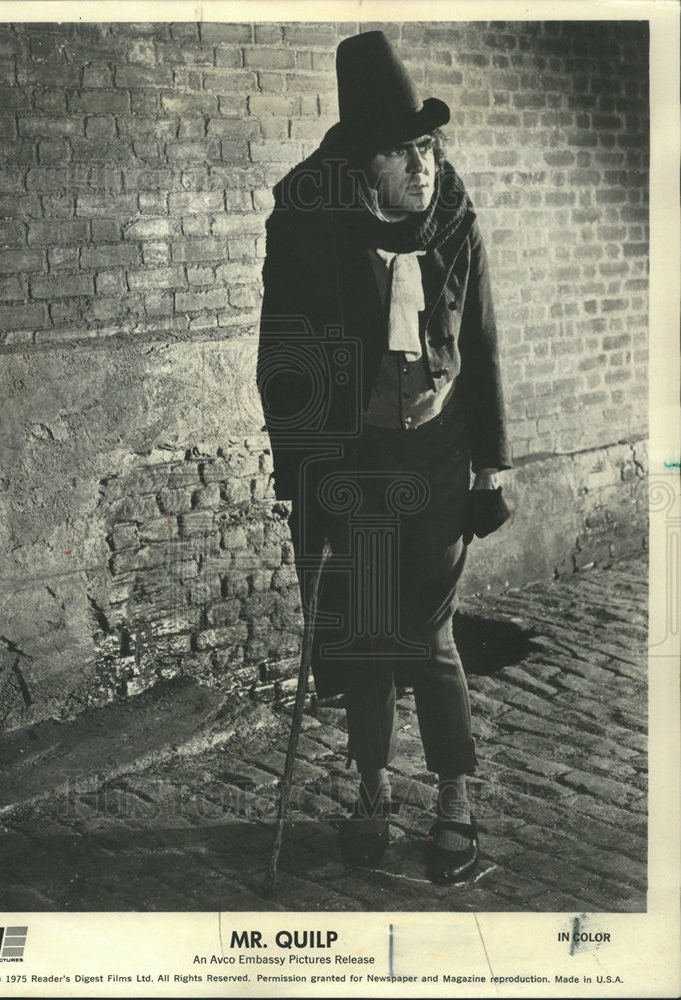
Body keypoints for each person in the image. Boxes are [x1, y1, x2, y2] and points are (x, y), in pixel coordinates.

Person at [257, 30, 512, 884]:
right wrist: (302, 469)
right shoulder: (307, 223)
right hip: (355, 454)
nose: (424, 164)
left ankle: (455, 796)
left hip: (438, 451)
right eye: (405, 151)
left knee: (425, 629)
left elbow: (479, 336)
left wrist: (494, 459)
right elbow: (283, 354)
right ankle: (372, 788)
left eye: (429, 146)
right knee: (368, 633)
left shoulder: (453, 213)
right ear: (362, 161)